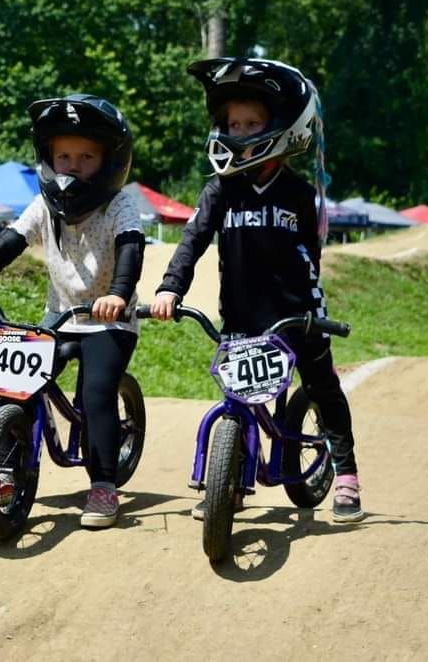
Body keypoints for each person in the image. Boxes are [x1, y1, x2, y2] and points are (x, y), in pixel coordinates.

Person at [151, 57, 365, 523]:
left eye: (252, 123)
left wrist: (312, 315)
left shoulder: (298, 194)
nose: (239, 130)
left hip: (297, 314)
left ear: (282, 127)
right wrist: (171, 288)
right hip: (242, 317)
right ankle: (230, 481)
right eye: (233, 123)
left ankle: (346, 474)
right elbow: (193, 241)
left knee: (322, 385)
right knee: (236, 397)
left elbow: (312, 256)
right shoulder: (220, 190)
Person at [0, 94, 145, 529]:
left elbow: (131, 250)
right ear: (47, 159)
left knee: (95, 395)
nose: (72, 166)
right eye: (64, 156)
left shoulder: (120, 206)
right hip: (60, 317)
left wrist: (118, 293)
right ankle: (0, 472)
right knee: (16, 383)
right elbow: (8, 242)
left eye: (86, 157)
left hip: (110, 321)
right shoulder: (44, 207)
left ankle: (104, 485)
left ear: (111, 161)